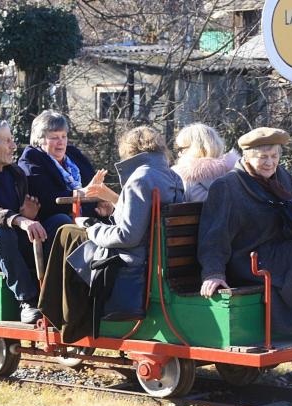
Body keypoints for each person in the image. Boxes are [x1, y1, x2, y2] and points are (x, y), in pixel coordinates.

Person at [38, 126, 185, 342]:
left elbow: (127, 236)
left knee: (66, 233)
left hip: (130, 262)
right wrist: (112, 202)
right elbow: (143, 221)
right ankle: (66, 316)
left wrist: (92, 227)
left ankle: (66, 318)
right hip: (155, 256)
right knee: (72, 232)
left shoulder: (140, 178)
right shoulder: (172, 176)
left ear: (129, 149)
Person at [198, 127, 292, 337]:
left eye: (274, 156)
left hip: (279, 249)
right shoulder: (227, 186)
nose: (269, 162)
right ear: (247, 157)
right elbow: (214, 236)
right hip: (247, 257)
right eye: (263, 157)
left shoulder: (282, 178)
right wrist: (213, 273)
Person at [0, 118, 71, 324]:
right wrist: (19, 220)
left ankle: (58, 293)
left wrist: (29, 216)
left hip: (14, 242)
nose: (13, 145)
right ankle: (27, 301)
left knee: (60, 222)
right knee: (1, 234)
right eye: (7, 141)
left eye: (12, 139)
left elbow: (25, 212)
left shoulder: (15, 173)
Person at [18, 110, 112, 221]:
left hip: (85, 218)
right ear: (39, 140)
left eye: (64, 136)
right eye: (54, 137)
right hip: (53, 223)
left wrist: (101, 206)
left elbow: (92, 189)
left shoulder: (74, 155)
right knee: (63, 220)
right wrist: (83, 193)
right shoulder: (31, 159)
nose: (61, 142)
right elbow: (48, 201)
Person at [172, 123, 239, 202]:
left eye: (181, 149)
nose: (179, 154)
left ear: (196, 147)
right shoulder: (237, 173)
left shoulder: (181, 176)